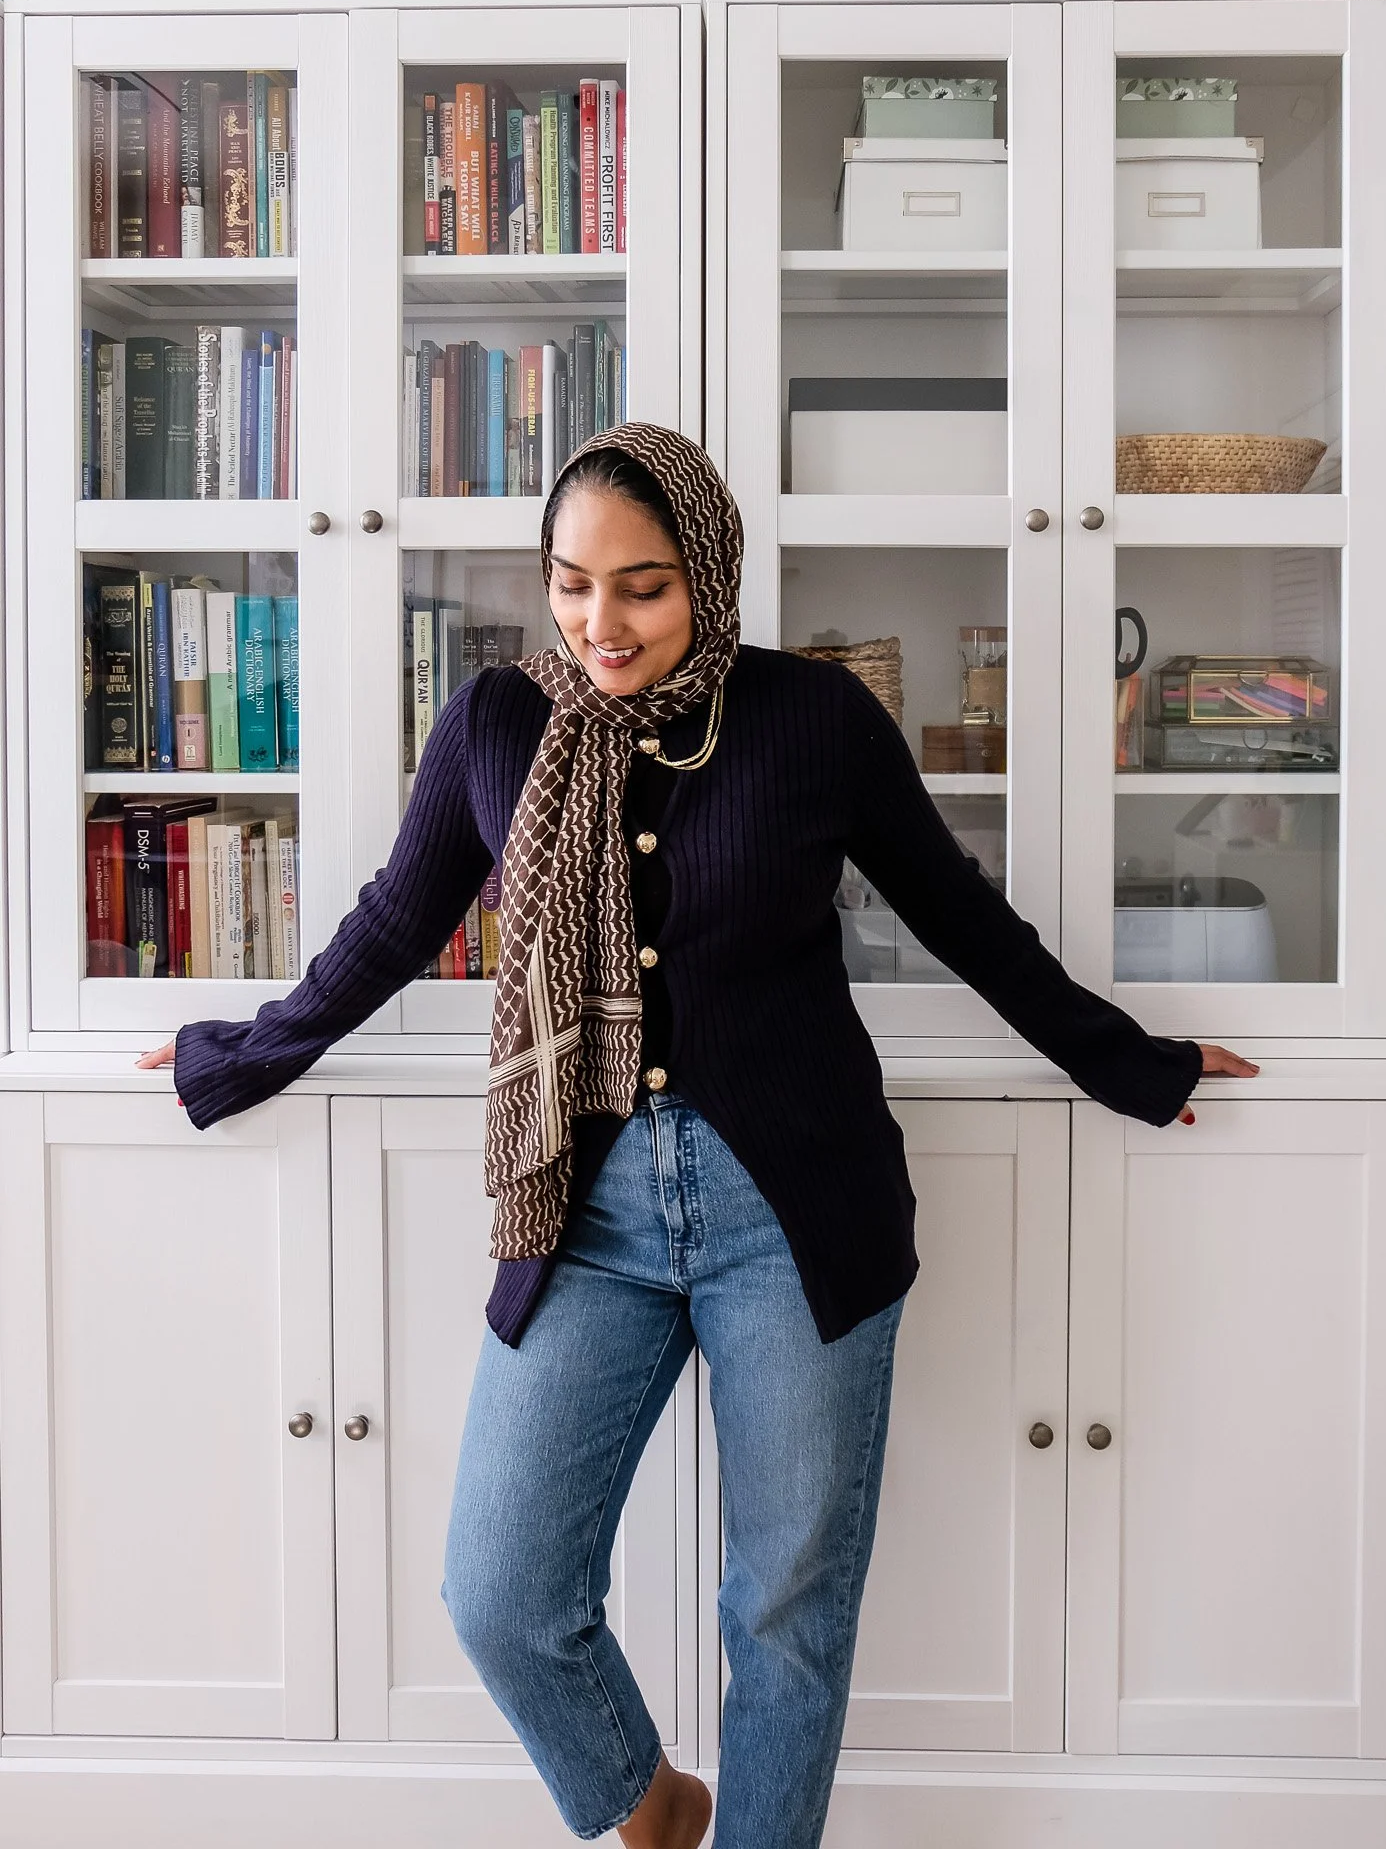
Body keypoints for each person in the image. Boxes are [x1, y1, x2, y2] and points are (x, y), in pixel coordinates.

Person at [137, 422, 1257, 1849]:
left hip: (795, 1212)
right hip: (584, 1212)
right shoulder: (495, 724)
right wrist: (235, 1054)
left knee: (784, 1608)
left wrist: (1133, 1063)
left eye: (644, 587)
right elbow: (392, 925)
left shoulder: (814, 721)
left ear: (711, 577)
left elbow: (962, 918)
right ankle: (655, 1808)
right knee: (504, 1593)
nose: (600, 623)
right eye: (572, 582)